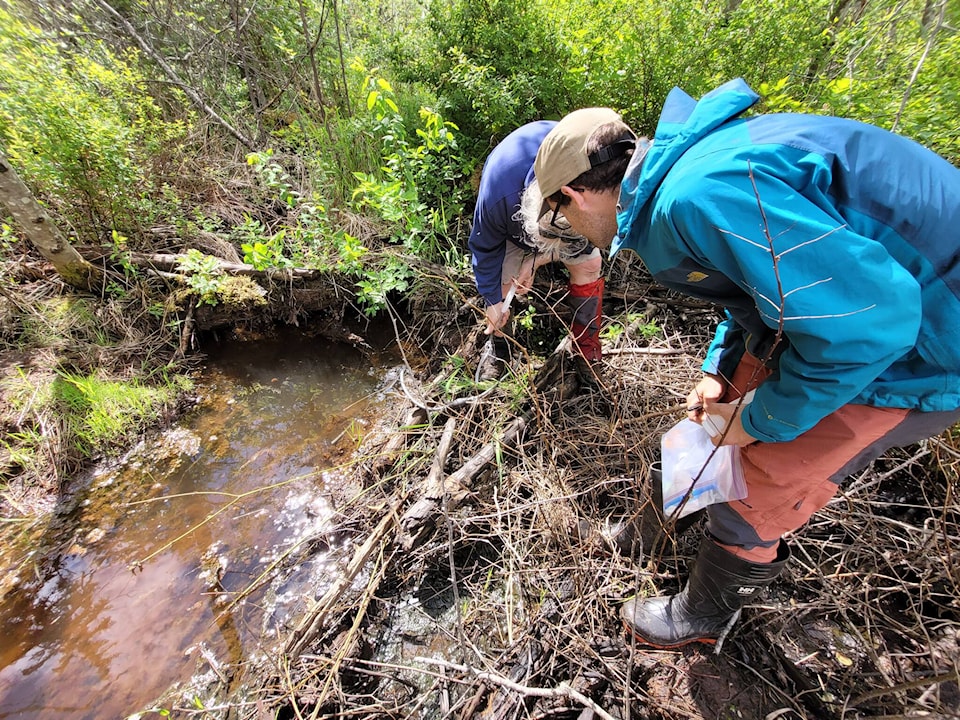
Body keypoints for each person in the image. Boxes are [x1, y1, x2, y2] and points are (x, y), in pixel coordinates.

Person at [531, 79, 960, 649]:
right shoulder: (689, 174)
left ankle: (703, 620)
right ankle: (646, 536)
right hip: (855, 318)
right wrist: (718, 370)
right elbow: (758, 291)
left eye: (558, 216)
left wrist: (758, 422)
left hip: (923, 345)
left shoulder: (698, 196)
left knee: (761, 482)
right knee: (704, 429)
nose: (569, 233)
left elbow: (867, 326)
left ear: (576, 194)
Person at [468, 120, 619, 380]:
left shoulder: (590, 190)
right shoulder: (497, 197)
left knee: (588, 265)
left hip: (569, 210)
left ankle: (587, 351)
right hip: (512, 211)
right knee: (502, 288)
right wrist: (492, 301)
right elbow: (484, 250)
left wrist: (538, 261)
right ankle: (501, 347)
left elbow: (588, 239)